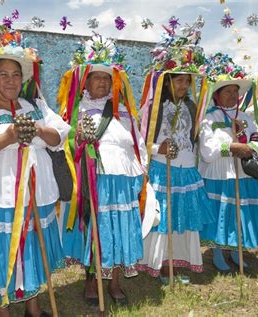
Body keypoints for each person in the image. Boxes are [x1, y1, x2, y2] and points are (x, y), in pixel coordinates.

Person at [0, 24, 69, 317]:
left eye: (15, 74)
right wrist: (8, 136)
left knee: (31, 250)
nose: (10, 80)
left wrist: (39, 130)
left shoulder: (37, 106)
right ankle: (2, 310)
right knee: (0, 253)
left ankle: (33, 306)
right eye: (3, 74)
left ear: (23, 79)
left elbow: (59, 138)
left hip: (36, 193)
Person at [58, 34, 147, 305]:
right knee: (94, 229)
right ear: (85, 81)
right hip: (93, 179)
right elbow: (65, 143)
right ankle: (91, 281)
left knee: (118, 229)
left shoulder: (121, 111)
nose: (102, 82)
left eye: (107, 78)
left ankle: (115, 281)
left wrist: (143, 170)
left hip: (122, 180)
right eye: (96, 77)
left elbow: (137, 141)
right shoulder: (76, 110)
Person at [137, 23, 214, 284]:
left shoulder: (192, 107)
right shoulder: (152, 108)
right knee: (164, 218)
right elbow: (140, 141)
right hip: (162, 169)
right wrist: (158, 148)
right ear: (168, 81)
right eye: (179, 79)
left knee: (183, 219)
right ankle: (159, 264)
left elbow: (193, 139)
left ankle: (179, 262)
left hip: (185, 170)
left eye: (187, 80)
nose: (184, 84)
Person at [199, 54, 258, 272]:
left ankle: (236, 251)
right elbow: (207, 151)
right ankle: (217, 254)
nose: (232, 95)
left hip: (243, 173)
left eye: (235, 91)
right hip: (219, 175)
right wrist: (231, 147)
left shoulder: (245, 117)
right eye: (227, 92)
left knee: (240, 214)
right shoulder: (209, 118)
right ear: (217, 95)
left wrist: (252, 148)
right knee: (221, 213)